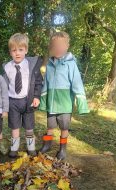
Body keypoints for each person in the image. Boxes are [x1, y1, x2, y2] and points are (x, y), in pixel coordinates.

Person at [39, 31, 89, 160]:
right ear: (51, 47)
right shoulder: (49, 64)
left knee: (64, 127)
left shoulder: (71, 64)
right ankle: (47, 144)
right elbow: (46, 83)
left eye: (61, 46)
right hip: (51, 103)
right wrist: (43, 101)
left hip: (65, 103)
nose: (58, 49)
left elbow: (77, 83)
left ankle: (62, 149)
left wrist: (82, 104)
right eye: (55, 46)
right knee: (50, 126)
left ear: (67, 46)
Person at [3, 33, 43, 158]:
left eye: (20, 50)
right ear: (10, 52)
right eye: (14, 50)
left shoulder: (31, 66)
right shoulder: (7, 67)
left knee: (29, 126)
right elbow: (3, 87)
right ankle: (14, 148)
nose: (17, 53)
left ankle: (31, 148)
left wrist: (36, 96)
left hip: (28, 101)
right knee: (15, 127)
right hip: (13, 102)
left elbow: (38, 82)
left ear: (26, 50)